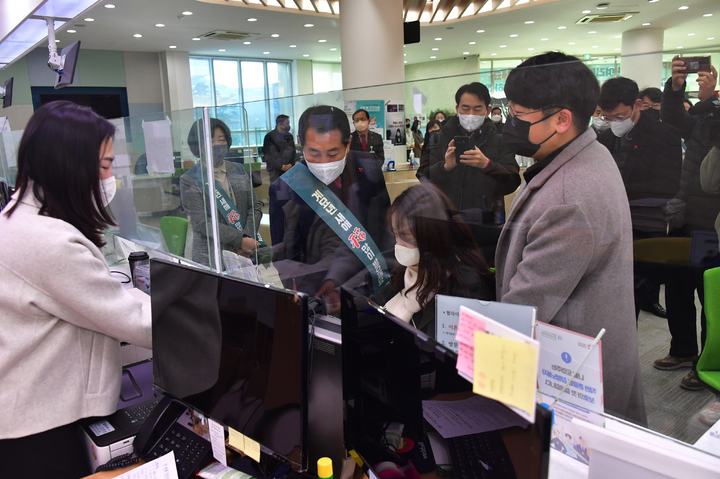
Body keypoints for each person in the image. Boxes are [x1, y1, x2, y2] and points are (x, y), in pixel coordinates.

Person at [0, 101, 152, 478]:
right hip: (38, 429)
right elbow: (135, 323)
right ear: (67, 165)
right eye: (102, 167)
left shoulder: (20, 219)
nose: (108, 178)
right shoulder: (47, 241)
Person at [495, 51, 646, 425]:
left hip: (567, 376)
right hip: (589, 346)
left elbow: (526, 306)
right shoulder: (590, 154)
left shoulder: (569, 197)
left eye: (519, 116)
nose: (510, 126)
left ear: (562, 119)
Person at [269, 105, 394, 309]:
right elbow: (289, 266)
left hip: (373, 289)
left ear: (348, 142)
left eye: (334, 153)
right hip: (321, 298)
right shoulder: (285, 189)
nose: (324, 162)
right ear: (301, 143)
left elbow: (384, 230)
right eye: (314, 153)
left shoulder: (368, 167)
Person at [655, 56, 720, 390]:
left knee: (709, 295)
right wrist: (675, 87)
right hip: (683, 216)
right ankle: (682, 348)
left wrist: (711, 101)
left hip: (713, 223)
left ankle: (706, 362)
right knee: (678, 289)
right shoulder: (705, 114)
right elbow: (675, 119)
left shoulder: (714, 111)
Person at [371, 183, 494, 336]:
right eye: (395, 234)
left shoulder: (467, 289)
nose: (398, 245)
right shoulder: (411, 270)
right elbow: (372, 308)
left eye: (406, 238)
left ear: (433, 236)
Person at [417, 82, 520, 226]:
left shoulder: (500, 141)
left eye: (477, 109)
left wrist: (488, 165)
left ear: (487, 110)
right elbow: (423, 177)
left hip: (486, 224)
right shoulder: (438, 138)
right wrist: (445, 167)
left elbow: (512, 183)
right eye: (465, 108)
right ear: (457, 109)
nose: (471, 114)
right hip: (444, 221)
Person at [180, 118, 263, 267]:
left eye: (221, 139)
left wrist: (246, 239)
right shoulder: (189, 179)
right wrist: (240, 240)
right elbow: (201, 222)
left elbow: (254, 207)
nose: (217, 145)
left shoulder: (238, 170)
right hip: (212, 256)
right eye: (211, 141)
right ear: (199, 146)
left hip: (245, 254)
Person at [263, 114, 297, 185]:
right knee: (277, 192)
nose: (289, 126)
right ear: (280, 124)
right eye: (287, 124)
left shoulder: (289, 136)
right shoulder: (269, 137)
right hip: (275, 172)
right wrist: (281, 167)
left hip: (289, 170)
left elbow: (293, 152)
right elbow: (270, 156)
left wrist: (291, 164)